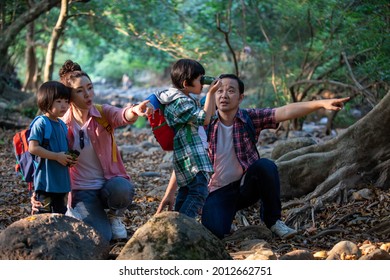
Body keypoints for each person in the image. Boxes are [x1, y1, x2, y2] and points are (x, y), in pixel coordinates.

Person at [157, 74, 350, 239]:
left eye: (230, 91)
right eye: (219, 90)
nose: (224, 95)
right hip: (216, 192)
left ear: (240, 97)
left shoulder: (249, 117)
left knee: (265, 166)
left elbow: (284, 111)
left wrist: (320, 104)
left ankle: (273, 221)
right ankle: (226, 216)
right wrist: (169, 193)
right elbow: (187, 160)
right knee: (215, 231)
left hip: (244, 186)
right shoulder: (202, 123)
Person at [31, 60, 152, 241]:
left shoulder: (102, 113)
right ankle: (77, 213)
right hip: (81, 190)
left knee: (123, 188)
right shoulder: (61, 125)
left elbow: (122, 115)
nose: (88, 95)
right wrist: (38, 191)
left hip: (108, 183)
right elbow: (44, 157)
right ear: (69, 97)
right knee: (102, 238)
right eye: (80, 91)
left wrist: (135, 110)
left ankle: (114, 216)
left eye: (90, 88)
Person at [153, 58, 221, 219]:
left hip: (189, 152)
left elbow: (209, 117)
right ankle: (183, 226)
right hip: (190, 153)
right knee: (199, 191)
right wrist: (210, 93)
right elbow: (204, 119)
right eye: (199, 79)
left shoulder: (185, 99)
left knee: (186, 190)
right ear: (185, 83)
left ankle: (176, 222)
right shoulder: (179, 102)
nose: (202, 83)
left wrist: (213, 93)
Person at [28, 81, 74, 214]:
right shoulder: (41, 123)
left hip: (61, 182)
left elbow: (62, 148)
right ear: (46, 102)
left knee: (60, 214)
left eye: (66, 101)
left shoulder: (62, 125)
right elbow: (33, 148)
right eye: (58, 101)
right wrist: (57, 156)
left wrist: (69, 158)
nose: (64, 105)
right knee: (42, 213)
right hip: (45, 181)